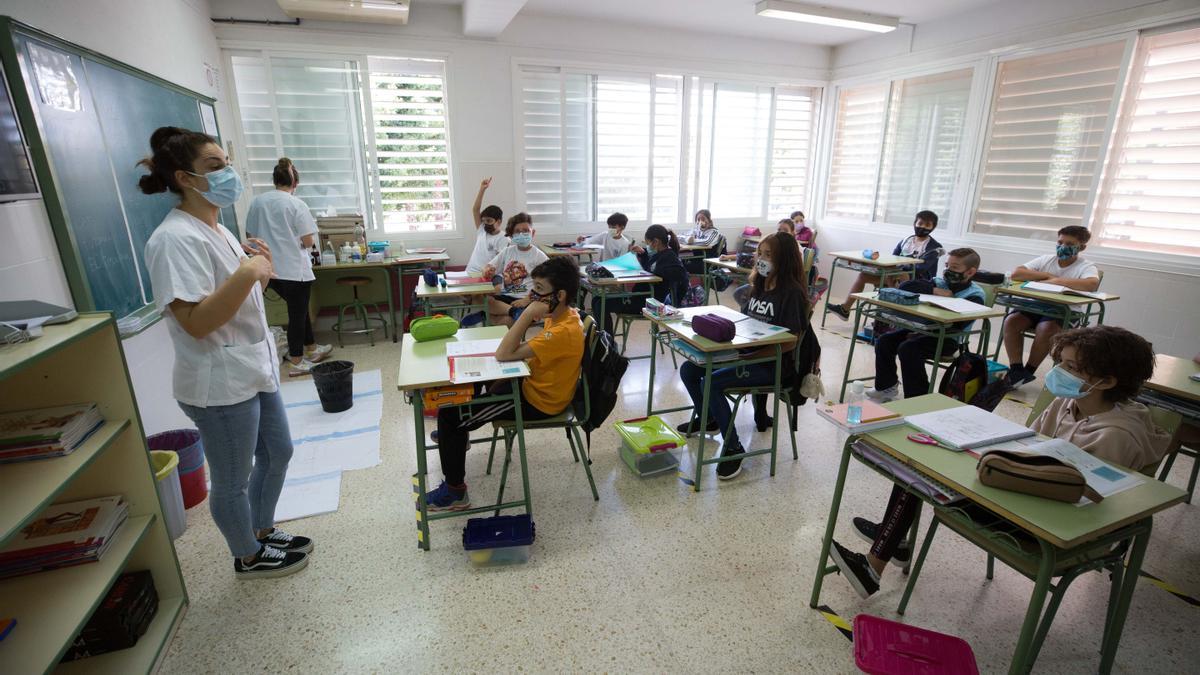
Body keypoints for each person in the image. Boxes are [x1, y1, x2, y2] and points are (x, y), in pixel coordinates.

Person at [830, 325, 1171, 599]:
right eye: (1061, 363)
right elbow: (1027, 446)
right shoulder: (1068, 404)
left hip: (1047, 523)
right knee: (916, 470)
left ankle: (876, 563)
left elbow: (1085, 503)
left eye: (1071, 367)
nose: (1059, 373)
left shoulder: (1117, 435)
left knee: (919, 478)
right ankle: (890, 548)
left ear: (1107, 382)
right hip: (1025, 491)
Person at [140, 127, 311, 579]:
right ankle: (247, 555)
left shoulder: (217, 228)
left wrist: (258, 271)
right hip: (217, 381)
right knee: (232, 478)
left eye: (227, 164)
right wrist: (246, 274)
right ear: (184, 177)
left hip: (251, 366)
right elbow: (195, 322)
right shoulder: (173, 239)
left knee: (278, 452)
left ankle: (262, 529)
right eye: (215, 167)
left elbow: (239, 298)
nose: (228, 175)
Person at [424, 256, 585, 510]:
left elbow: (504, 353)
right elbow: (517, 349)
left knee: (449, 415)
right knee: (474, 383)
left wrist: (528, 313)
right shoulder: (566, 315)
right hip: (531, 382)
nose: (534, 295)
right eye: (535, 288)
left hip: (537, 401)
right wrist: (530, 308)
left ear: (561, 295)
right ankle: (457, 436)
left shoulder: (561, 331)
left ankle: (455, 491)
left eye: (540, 291)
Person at [676, 232, 809, 481]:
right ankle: (710, 418)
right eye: (761, 253)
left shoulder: (791, 293)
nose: (762, 259)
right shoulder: (759, 285)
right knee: (690, 370)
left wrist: (748, 357)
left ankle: (734, 447)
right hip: (747, 354)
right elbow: (747, 324)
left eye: (769, 255)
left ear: (785, 259)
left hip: (773, 364)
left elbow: (791, 342)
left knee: (712, 381)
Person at [244, 157, 332, 375]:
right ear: (295, 184)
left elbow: (250, 236)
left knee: (299, 312)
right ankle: (296, 360)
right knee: (297, 314)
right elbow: (308, 242)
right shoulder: (296, 204)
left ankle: (311, 349)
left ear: (275, 180)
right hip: (294, 270)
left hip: (268, 270)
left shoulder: (257, 202)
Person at [866, 248, 986, 401]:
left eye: (954, 268)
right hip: (922, 329)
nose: (948, 270)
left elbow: (958, 325)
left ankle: (918, 399)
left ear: (970, 272)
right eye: (947, 266)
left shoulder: (975, 295)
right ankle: (885, 387)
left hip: (948, 339)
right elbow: (906, 287)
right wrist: (934, 290)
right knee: (885, 341)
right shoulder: (939, 282)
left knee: (908, 348)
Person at [1003, 225, 1102, 388]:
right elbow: (1017, 274)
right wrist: (1048, 275)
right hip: (1036, 305)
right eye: (1060, 242)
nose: (1063, 246)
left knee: (1046, 328)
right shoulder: (1046, 259)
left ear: (1081, 247)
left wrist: (1057, 281)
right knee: (1011, 320)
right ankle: (1016, 369)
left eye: (1069, 244)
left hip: (1064, 310)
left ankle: (1028, 371)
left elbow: (1091, 284)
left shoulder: (1086, 266)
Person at [829, 210, 942, 321]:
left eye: (927, 225)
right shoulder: (906, 240)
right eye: (920, 223)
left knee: (901, 275)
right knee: (864, 275)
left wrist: (897, 269)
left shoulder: (934, 247)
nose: (922, 227)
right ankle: (845, 309)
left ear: (933, 227)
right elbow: (893, 258)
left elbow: (920, 269)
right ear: (915, 223)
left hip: (917, 280)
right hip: (895, 275)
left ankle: (889, 317)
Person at [591, 224, 688, 334]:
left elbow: (680, 274)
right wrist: (644, 254)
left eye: (648, 243)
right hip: (640, 296)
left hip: (649, 303)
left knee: (601, 304)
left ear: (656, 242)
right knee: (597, 300)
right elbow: (652, 267)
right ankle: (602, 339)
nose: (647, 247)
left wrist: (656, 271)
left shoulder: (670, 257)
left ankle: (607, 343)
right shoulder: (658, 255)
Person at [482, 213, 549, 326]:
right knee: (480, 300)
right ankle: (513, 312)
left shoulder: (540, 257)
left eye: (525, 230)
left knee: (507, 322)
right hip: (506, 297)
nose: (521, 234)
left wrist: (527, 300)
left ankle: (486, 316)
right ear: (512, 235)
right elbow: (488, 267)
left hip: (526, 300)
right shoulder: (508, 251)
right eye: (517, 231)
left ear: (533, 233)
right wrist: (487, 270)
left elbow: (549, 286)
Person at [461, 177, 509, 327]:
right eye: (484, 220)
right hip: (470, 273)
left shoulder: (503, 239)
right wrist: (482, 189)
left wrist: (490, 275)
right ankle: (486, 316)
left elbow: (503, 262)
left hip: (488, 277)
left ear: (499, 222)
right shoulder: (482, 231)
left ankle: (485, 316)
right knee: (473, 294)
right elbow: (475, 210)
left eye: (489, 221)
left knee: (486, 295)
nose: (485, 224)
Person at [683, 209, 724, 274]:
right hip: (697, 259)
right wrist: (687, 239)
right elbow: (681, 237)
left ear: (709, 221)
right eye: (698, 220)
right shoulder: (696, 231)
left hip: (708, 263)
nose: (700, 222)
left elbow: (706, 243)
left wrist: (692, 241)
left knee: (679, 267)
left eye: (703, 219)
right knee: (678, 262)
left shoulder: (714, 232)